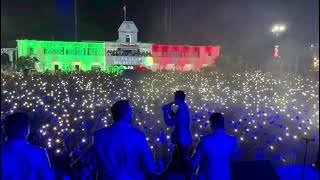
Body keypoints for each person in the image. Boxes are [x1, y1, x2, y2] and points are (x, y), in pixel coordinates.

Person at [93, 100, 162, 180]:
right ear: (128, 113)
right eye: (131, 110)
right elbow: (149, 166)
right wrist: (159, 167)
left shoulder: (99, 135)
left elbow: (93, 164)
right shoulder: (138, 136)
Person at [1, 112, 54, 180]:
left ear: (5, 129)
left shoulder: (39, 152)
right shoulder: (39, 153)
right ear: (27, 130)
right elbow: (47, 177)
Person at [190, 113, 239, 180]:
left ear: (211, 124)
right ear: (223, 124)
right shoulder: (232, 140)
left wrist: (188, 155)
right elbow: (235, 160)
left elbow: (194, 164)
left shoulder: (204, 140)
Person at [162, 91, 192, 176]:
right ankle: (167, 174)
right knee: (175, 158)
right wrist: (169, 111)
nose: (174, 100)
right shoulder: (183, 107)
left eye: (175, 98)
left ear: (178, 99)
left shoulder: (181, 111)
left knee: (183, 161)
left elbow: (169, 122)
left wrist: (165, 111)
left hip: (181, 139)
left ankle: (187, 177)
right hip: (182, 138)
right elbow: (176, 117)